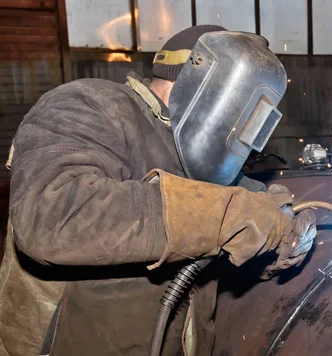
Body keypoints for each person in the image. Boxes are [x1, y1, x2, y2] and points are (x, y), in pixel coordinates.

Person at [0, 25, 316, 355]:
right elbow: (51, 216)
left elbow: (227, 253)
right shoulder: (88, 106)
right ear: (205, 82)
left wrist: (280, 240)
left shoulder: (203, 161)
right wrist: (229, 214)